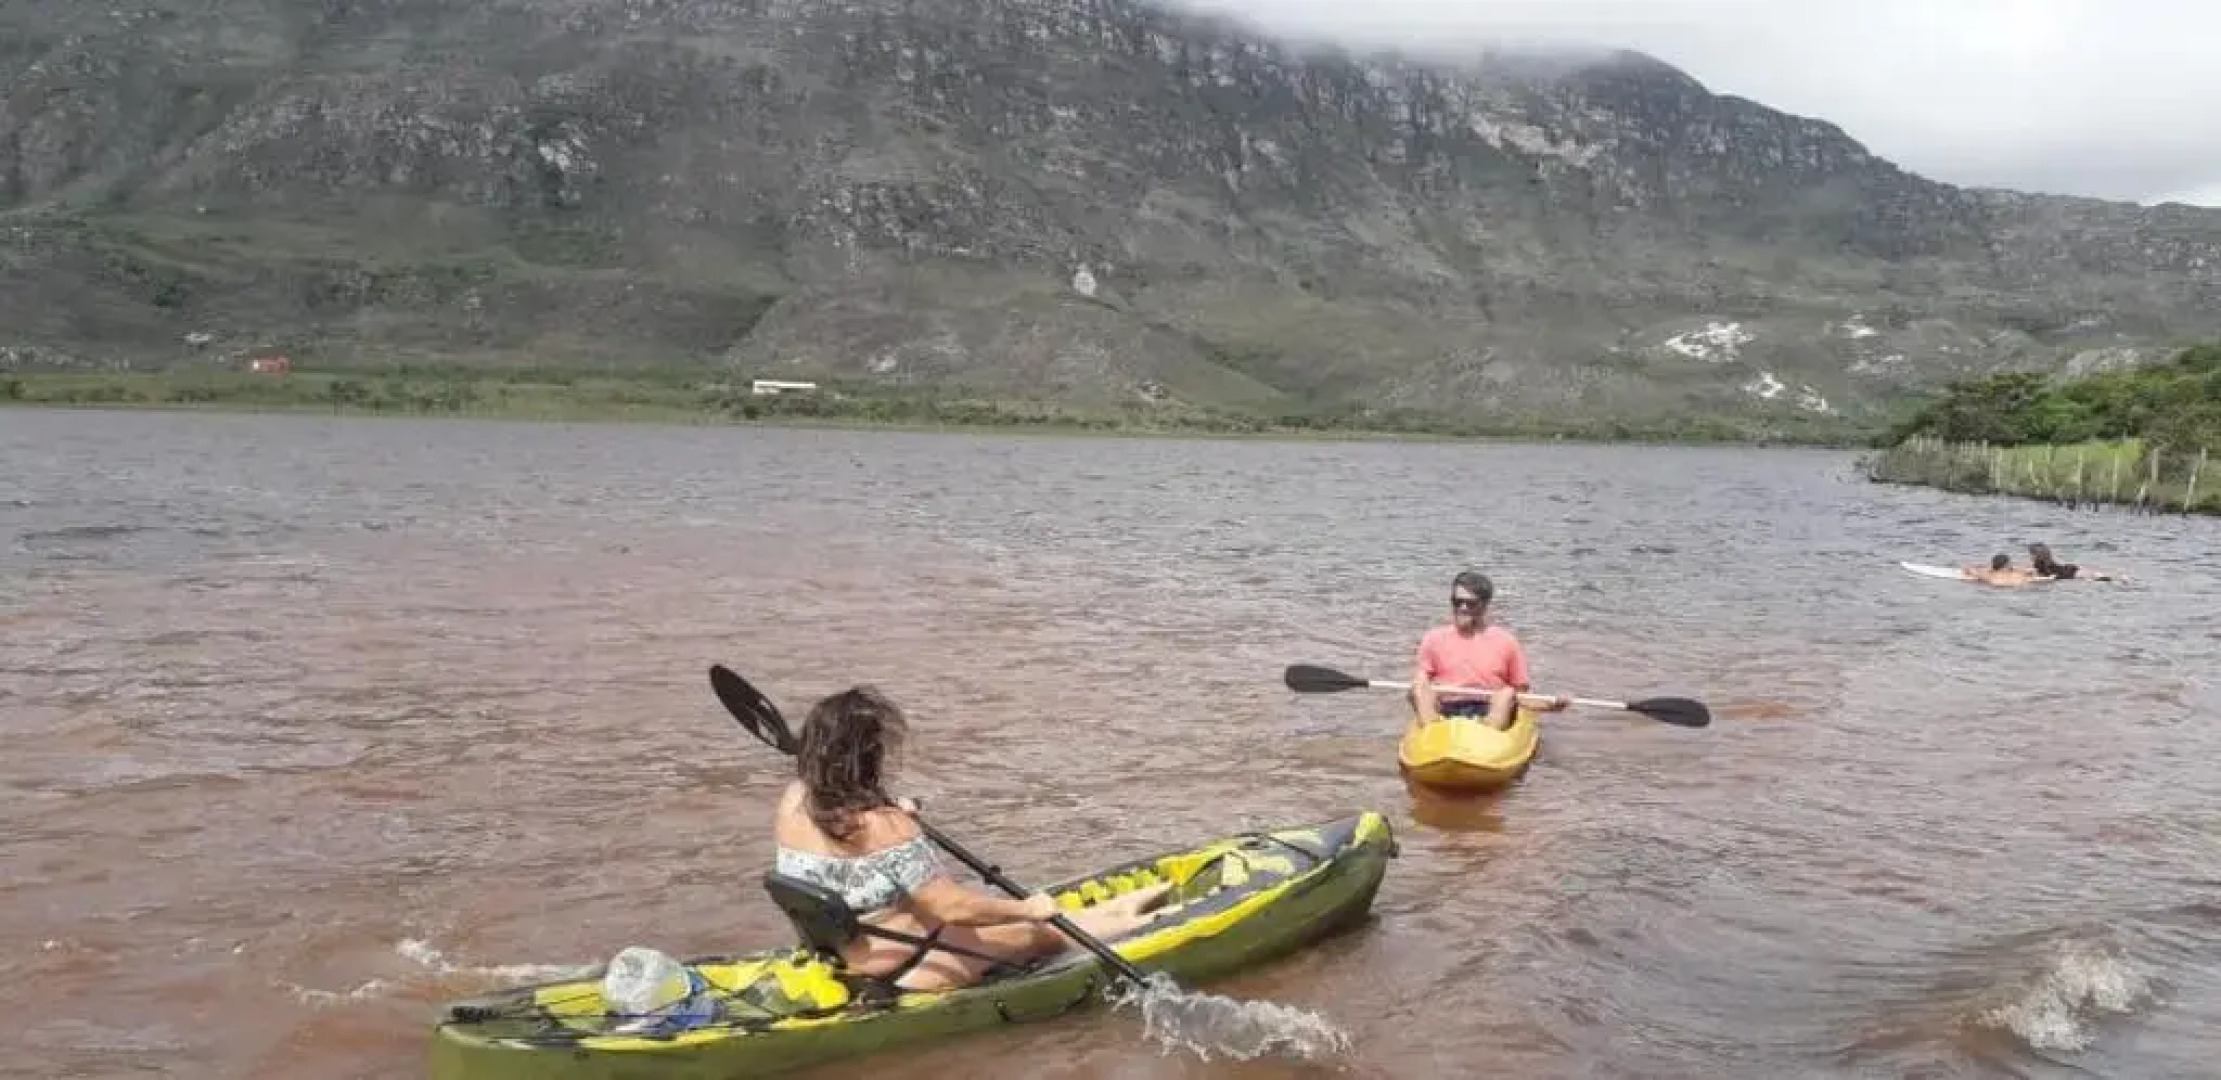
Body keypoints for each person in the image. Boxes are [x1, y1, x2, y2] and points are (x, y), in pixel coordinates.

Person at [770, 686, 1171, 992]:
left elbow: (846, 834)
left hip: (852, 953)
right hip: (916, 964)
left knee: (1056, 920)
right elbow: (954, 908)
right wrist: (1028, 909)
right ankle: (1156, 921)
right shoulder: (886, 827)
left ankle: (1131, 906)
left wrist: (889, 810)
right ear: (868, 756)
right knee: (1048, 934)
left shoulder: (795, 800)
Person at [1410, 571, 1568, 734]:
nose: (1463, 608)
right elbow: (1420, 683)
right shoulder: (1433, 638)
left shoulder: (1506, 641)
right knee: (1419, 686)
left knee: (1506, 693)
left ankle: (1487, 737)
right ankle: (1431, 734)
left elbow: (1521, 696)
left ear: (1485, 604)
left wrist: (1551, 704)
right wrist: (1420, 689)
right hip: (1445, 708)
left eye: (1470, 603)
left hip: (1489, 709)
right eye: (1457, 602)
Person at [2028, 543, 2120, 582]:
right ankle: (2118, 577)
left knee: (2100, 578)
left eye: (2032, 554)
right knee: (2098, 575)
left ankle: (2118, 578)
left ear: (2038, 556)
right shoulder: (2045, 564)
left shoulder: (2043, 566)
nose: (2030, 557)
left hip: (2069, 573)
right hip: (2068, 569)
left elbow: (2050, 577)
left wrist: (2033, 579)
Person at [1961, 554, 2047, 588]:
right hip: (2018, 586)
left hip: (1997, 585)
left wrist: (1983, 566)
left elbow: (1967, 569)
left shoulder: (1988, 574)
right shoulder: (2018, 574)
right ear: (2007, 564)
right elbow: (2034, 572)